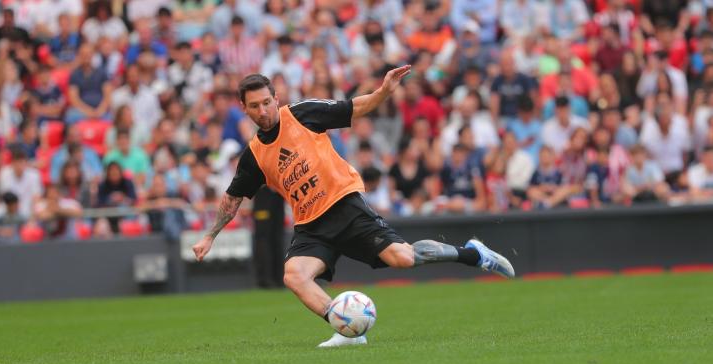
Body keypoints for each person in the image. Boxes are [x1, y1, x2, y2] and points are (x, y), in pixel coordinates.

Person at [191, 68, 515, 348]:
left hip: (344, 203)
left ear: (275, 98)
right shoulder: (253, 157)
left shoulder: (302, 114)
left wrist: (383, 92)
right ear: (244, 110)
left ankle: (473, 253)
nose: (262, 110)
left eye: (266, 102)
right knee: (294, 276)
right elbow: (232, 198)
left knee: (403, 258)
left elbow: (353, 108)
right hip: (310, 226)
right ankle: (347, 330)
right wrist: (209, 236)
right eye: (254, 106)